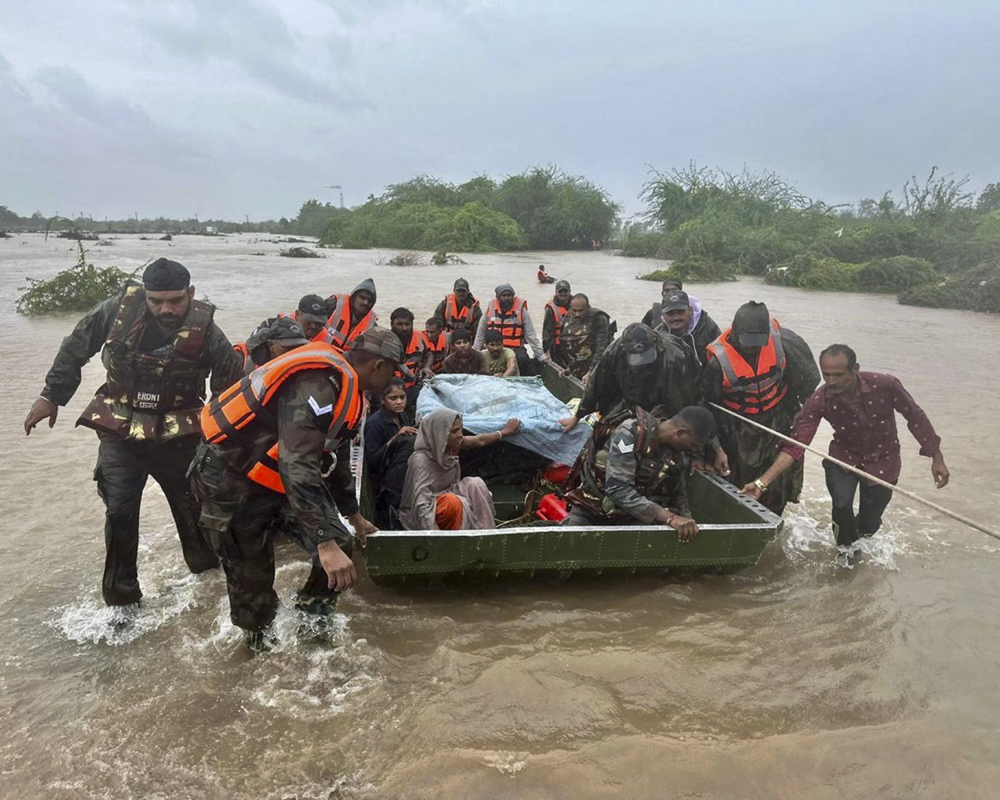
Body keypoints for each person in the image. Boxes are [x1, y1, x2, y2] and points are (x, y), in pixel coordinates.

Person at [23, 258, 241, 615]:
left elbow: (229, 388)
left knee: (196, 513)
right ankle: (121, 603)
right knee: (120, 512)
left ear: (190, 294)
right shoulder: (117, 312)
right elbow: (76, 345)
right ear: (146, 294)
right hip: (120, 433)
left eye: (174, 301)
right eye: (157, 301)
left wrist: (231, 446)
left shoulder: (206, 329)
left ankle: (206, 585)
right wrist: (51, 396)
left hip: (179, 439)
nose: (165, 309)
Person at [190, 330, 401, 652]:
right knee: (254, 587)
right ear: (378, 366)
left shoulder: (350, 391)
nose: (394, 380)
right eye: (393, 371)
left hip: (277, 479)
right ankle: (257, 648)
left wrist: (353, 515)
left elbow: (334, 454)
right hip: (230, 482)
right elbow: (297, 463)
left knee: (341, 541)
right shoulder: (317, 385)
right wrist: (323, 542)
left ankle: (311, 619)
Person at [743, 344, 949, 548]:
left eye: (839, 375)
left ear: (855, 369)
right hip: (843, 457)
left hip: (884, 459)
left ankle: (857, 539)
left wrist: (936, 457)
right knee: (841, 506)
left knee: (870, 525)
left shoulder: (885, 385)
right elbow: (796, 445)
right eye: (827, 375)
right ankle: (844, 551)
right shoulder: (820, 398)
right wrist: (762, 483)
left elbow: (915, 417)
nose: (831, 381)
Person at [701, 301, 819, 515]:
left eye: (758, 342)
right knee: (737, 479)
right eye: (747, 342)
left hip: (778, 416)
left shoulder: (786, 343)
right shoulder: (718, 361)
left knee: (779, 478)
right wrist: (716, 447)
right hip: (737, 423)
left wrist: (801, 420)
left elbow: (809, 384)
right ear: (735, 333)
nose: (752, 347)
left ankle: (774, 514)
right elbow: (707, 405)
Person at [563, 406, 717, 542]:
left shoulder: (680, 454)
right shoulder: (630, 432)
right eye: (694, 444)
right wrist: (670, 518)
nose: (695, 450)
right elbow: (618, 490)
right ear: (680, 432)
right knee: (567, 546)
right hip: (593, 511)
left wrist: (687, 520)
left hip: (634, 518)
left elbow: (678, 491)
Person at [559, 323, 700, 435]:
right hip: (631, 396)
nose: (642, 361)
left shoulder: (675, 358)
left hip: (664, 403)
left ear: (655, 343)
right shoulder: (614, 351)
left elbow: (682, 402)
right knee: (602, 431)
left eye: (645, 355)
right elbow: (596, 385)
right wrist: (577, 417)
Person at [399, 409, 521, 530]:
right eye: (454, 431)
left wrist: (504, 432)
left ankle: (485, 533)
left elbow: (479, 440)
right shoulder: (421, 461)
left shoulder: (450, 445)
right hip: (427, 511)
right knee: (453, 503)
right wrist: (434, 540)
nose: (460, 434)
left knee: (475, 484)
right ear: (440, 434)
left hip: (447, 495)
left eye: (460, 429)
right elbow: (421, 506)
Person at [364, 378, 418, 529]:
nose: (399, 402)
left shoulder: (403, 416)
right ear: (382, 399)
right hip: (387, 483)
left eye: (402, 397)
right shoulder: (375, 424)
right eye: (393, 398)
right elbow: (373, 460)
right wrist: (395, 438)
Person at [473, 283, 548, 376]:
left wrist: (541, 356)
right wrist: (474, 352)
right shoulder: (489, 311)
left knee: (523, 360)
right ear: (498, 297)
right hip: (493, 348)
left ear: (513, 296)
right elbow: (480, 335)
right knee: (479, 362)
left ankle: (524, 383)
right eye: (503, 295)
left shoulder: (522, 311)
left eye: (509, 295)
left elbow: (531, 336)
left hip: (515, 348)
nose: (506, 298)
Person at [653, 289, 721, 370]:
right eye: (670, 313)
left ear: (690, 310)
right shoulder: (658, 336)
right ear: (663, 315)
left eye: (680, 312)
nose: (676, 317)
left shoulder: (708, 327)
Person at [559, 293, 612, 382]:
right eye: (574, 310)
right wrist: (569, 369)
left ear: (587, 307)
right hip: (577, 366)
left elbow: (601, 350)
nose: (577, 314)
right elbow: (569, 345)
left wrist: (590, 373)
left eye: (581, 311)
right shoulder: (568, 317)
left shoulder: (598, 318)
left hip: (595, 368)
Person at [235, 316, 312, 374]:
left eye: (299, 347)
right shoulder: (241, 362)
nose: (294, 353)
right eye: (289, 348)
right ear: (271, 345)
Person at [319, 278, 378, 348]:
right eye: (362, 297)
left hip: (343, 358)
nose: (365, 302)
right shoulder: (333, 304)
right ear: (354, 296)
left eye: (370, 300)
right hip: (318, 350)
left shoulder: (372, 325)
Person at [389, 306, 429, 407]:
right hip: (391, 393)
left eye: (408, 324)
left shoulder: (419, 337)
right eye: (399, 324)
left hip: (413, 388)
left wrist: (426, 367)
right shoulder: (385, 341)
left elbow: (429, 354)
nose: (404, 328)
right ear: (391, 324)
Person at [543, 279, 572, 365]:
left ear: (570, 291)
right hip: (558, 346)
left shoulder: (577, 304)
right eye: (560, 291)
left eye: (565, 291)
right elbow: (547, 331)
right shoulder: (551, 309)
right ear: (556, 292)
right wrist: (546, 351)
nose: (563, 294)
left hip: (574, 344)